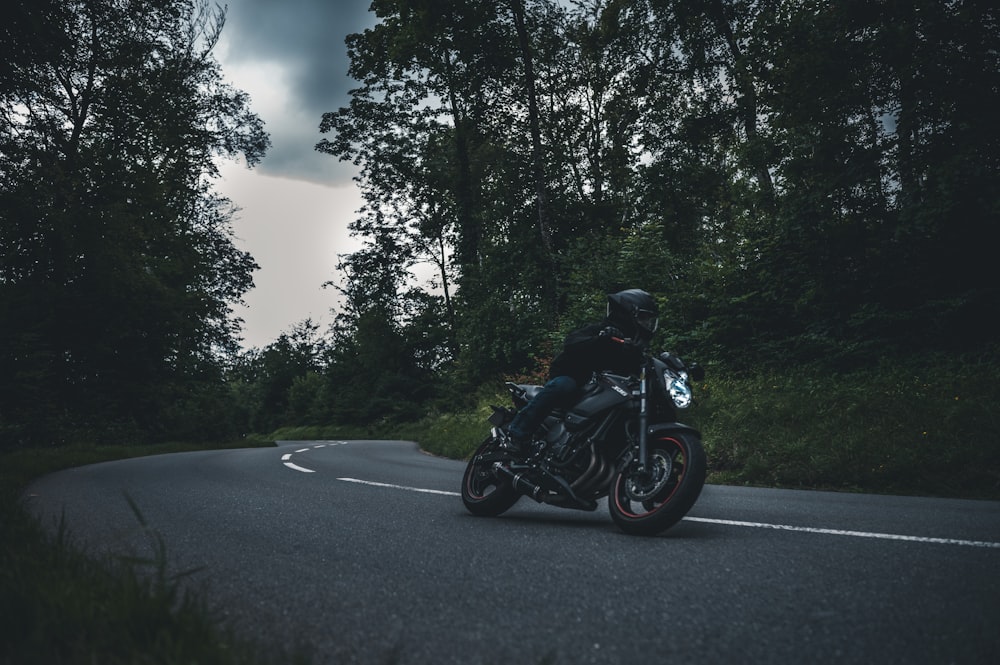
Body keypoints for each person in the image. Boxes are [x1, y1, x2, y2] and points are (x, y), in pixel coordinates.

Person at [505, 289, 659, 454]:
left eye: (649, 320)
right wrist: (600, 340)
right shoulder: (601, 330)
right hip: (573, 376)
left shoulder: (634, 345)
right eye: (643, 318)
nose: (647, 323)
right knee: (563, 386)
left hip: (602, 390)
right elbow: (571, 343)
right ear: (628, 314)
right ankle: (517, 434)